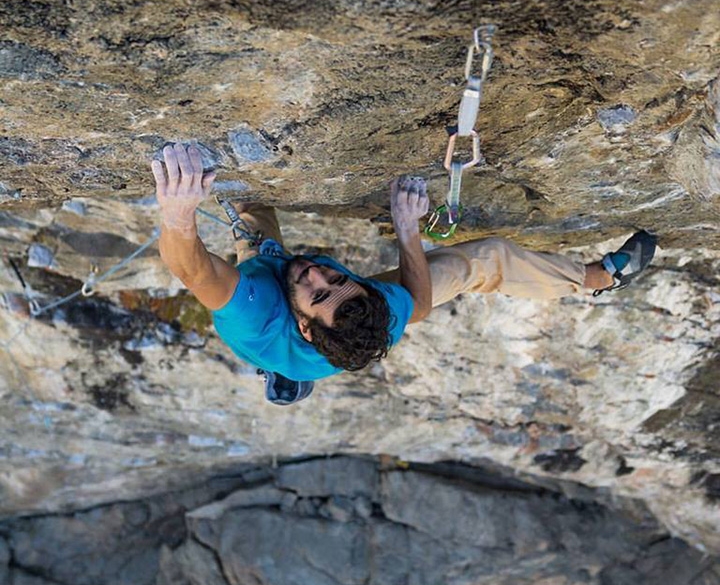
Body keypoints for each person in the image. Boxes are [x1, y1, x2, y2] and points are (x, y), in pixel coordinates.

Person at [151, 142, 656, 397]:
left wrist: (178, 212)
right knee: (487, 257)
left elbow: (194, 272)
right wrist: (407, 230)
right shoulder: (373, 312)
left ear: (302, 323)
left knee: (254, 222)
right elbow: (417, 305)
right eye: (337, 281)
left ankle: (281, 375)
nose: (318, 274)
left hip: (275, 333)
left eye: (321, 289)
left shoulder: (259, 313)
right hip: (318, 335)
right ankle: (600, 278)